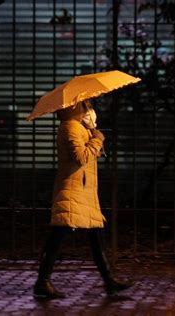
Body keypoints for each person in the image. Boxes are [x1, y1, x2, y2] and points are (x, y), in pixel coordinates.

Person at [33, 101, 133, 299]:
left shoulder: (79, 127)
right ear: (74, 108)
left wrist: (93, 136)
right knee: (58, 235)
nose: (90, 110)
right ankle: (42, 282)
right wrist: (97, 140)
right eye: (85, 107)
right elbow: (80, 156)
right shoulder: (70, 127)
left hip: (83, 190)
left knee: (95, 236)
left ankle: (109, 281)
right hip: (72, 190)